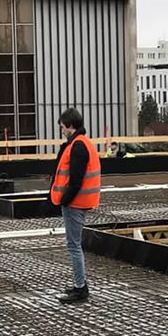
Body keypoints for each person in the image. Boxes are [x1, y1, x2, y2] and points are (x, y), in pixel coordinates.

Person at [50, 107, 101, 304]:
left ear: (70, 126)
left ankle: (80, 289)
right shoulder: (82, 143)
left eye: (62, 126)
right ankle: (80, 285)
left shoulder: (78, 146)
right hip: (78, 202)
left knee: (73, 246)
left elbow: (76, 180)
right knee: (74, 245)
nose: (61, 130)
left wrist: (64, 200)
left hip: (75, 203)